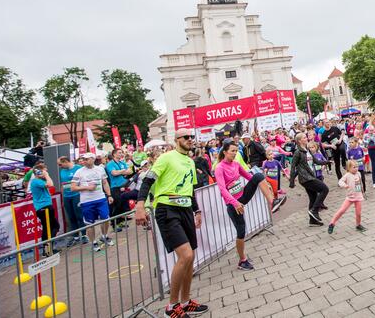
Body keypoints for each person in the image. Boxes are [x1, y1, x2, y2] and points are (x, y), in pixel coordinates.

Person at [134, 129, 209, 317]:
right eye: (186, 137)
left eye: (191, 137)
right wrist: (140, 206)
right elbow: (147, 182)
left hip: (184, 208)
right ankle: (171, 306)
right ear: (176, 140)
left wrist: (196, 210)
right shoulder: (167, 158)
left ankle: (185, 302)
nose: (190, 139)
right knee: (185, 255)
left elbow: (189, 189)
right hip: (166, 208)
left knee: (190, 257)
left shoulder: (190, 162)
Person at [215, 141, 283, 271]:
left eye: (236, 151)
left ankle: (273, 202)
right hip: (233, 204)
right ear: (224, 152)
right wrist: (235, 203)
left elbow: (248, 176)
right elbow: (222, 190)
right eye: (232, 151)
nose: (235, 154)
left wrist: (264, 182)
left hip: (243, 196)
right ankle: (242, 260)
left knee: (258, 175)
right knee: (241, 232)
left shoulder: (236, 164)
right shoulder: (220, 167)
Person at [71, 153, 115, 252]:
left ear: (93, 159)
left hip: (100, 198)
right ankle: (93, 242)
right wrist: (87, 187)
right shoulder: (79, 172)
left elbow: (105, 182)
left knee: (106, 219)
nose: (84, 161)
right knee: (89, 224)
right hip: (87, 201)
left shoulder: (100, 169)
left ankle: (104, 236)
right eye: (83, 159)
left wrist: (109, 195)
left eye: (86, 159)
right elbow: (73, 187)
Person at [289, 133, 329, 226]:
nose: (306, 138)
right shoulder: (297, 152)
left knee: (313, 198)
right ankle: (314, 210)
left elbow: (316, 161)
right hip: (305, 178)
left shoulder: (307, 150)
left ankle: (313, 221)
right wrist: (291, 181)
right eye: (304, 137)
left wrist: (326, 162)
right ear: (299, 141)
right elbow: (293, 167)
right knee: (324, 189)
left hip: (311, 176)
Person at [327, 160, 366, 234]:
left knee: (358, 213)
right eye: (354, 167)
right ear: (349, 168)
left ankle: (358, 225)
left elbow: (360, 183)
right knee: (342, 210)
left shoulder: (359, 173)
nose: (356, 168)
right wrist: (345, 185)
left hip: (358, 197)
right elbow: (340, 181)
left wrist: (362, 191)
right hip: (350, 197)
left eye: (357, 167)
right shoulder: (347, 175)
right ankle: (332, 223)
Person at [29, 163, 59, 255]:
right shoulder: (36, 181)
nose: (46, 172)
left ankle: (48, 249)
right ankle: (47, 250)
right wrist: (46, 175)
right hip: (43, 207)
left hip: (44, 206)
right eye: (44, 171)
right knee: (50, 228)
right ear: (39, 172)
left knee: (51, 227)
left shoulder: (38, 182)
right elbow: (50, 184)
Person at [57, 157, 87, 246]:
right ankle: (76, 237)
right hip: (67, 196)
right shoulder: (62, 171)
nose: (59, 166)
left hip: (77, 195)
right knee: (71, 217)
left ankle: (84, 235)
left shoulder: (78, 168)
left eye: (60, 164)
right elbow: (62, 185)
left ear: (65, 162)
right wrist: (63, 197)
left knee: (79, 216)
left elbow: (83, 181)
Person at [106, 149, 133, 231]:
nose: (121, 154)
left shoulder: (122, 162)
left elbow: (130, 171)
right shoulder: (110, 164)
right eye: (119, 153)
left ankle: (121, 222)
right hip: (115, 187)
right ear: (114, 154)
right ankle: (114, 224)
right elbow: (114, 173)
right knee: (116, 205)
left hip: (124, 186)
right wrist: (124, 171)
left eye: (122, 153)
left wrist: (121, 172)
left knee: (123, 204)